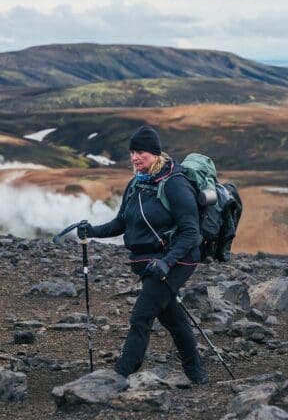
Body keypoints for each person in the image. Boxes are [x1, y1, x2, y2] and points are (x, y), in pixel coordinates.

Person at [85, 125, 208, 384]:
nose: (134, 157)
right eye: (132, 152)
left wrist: (166, 262)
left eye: (140, 152)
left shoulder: (175, 184)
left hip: (178, 259)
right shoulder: (136, 184)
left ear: (155, 153)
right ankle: (196, 374)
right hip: (151, 263)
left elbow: (190, 232)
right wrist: (91, 230)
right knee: (171, 317)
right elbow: (121, 223)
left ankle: (121, 374)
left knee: (141, 315)